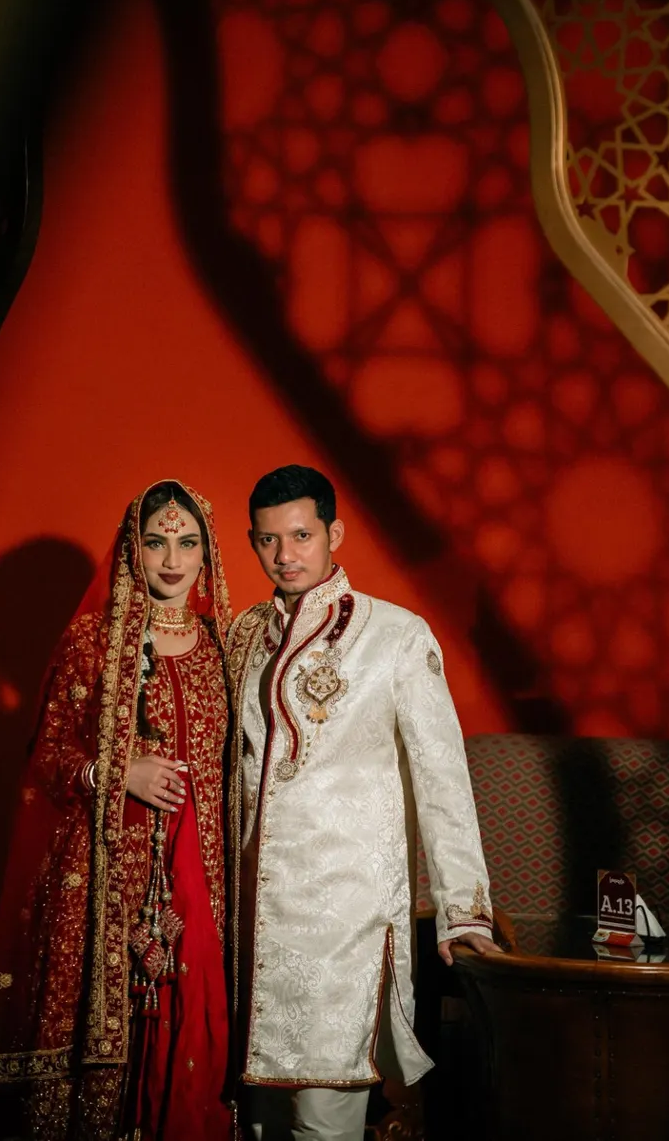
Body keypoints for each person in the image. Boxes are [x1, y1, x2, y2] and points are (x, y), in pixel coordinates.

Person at [227, 463, 500, 1141]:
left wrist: (463, 911)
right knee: (254, 1121)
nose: (285, 555)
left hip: (345, 920)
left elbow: (443, 779)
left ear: (334, 533)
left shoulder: (396, 636)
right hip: (248, 921)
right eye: (268, 540)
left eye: (301, 535)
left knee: (325, 1117)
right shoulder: (242, 635)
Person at [0, 480, 232, 1141]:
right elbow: (48, 755)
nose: (172, 559)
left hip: (202, 876)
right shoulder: (94, 640)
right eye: (156, 542)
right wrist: (118, 773)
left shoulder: (227, 647)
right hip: (103, 881)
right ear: (132, 550)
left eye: (187, 543)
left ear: (208, 554)